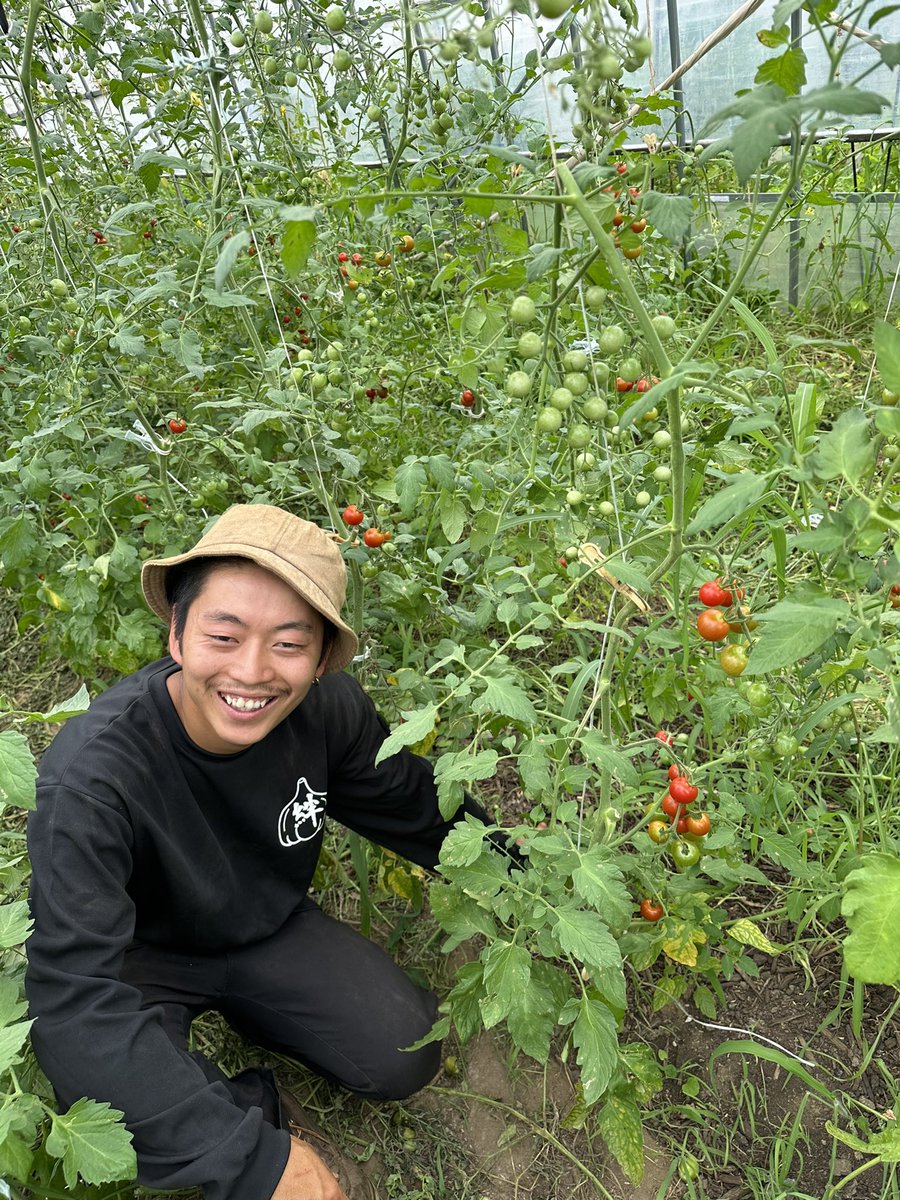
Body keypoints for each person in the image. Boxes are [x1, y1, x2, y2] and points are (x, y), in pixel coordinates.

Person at [25, 504, 508, 1200]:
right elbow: (72, 1001)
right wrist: (253, 1162)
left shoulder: (327, 712)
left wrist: (530, 873)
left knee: (403, 1052)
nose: (251, 672)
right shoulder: (95, 776)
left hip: (263, 926)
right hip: (138, 958)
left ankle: (254, 1011)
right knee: (125, 1122)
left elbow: (411, 806)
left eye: (289, 643)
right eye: (224, 634)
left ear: (319, 660)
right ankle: (243, 1111)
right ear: (178, 634)